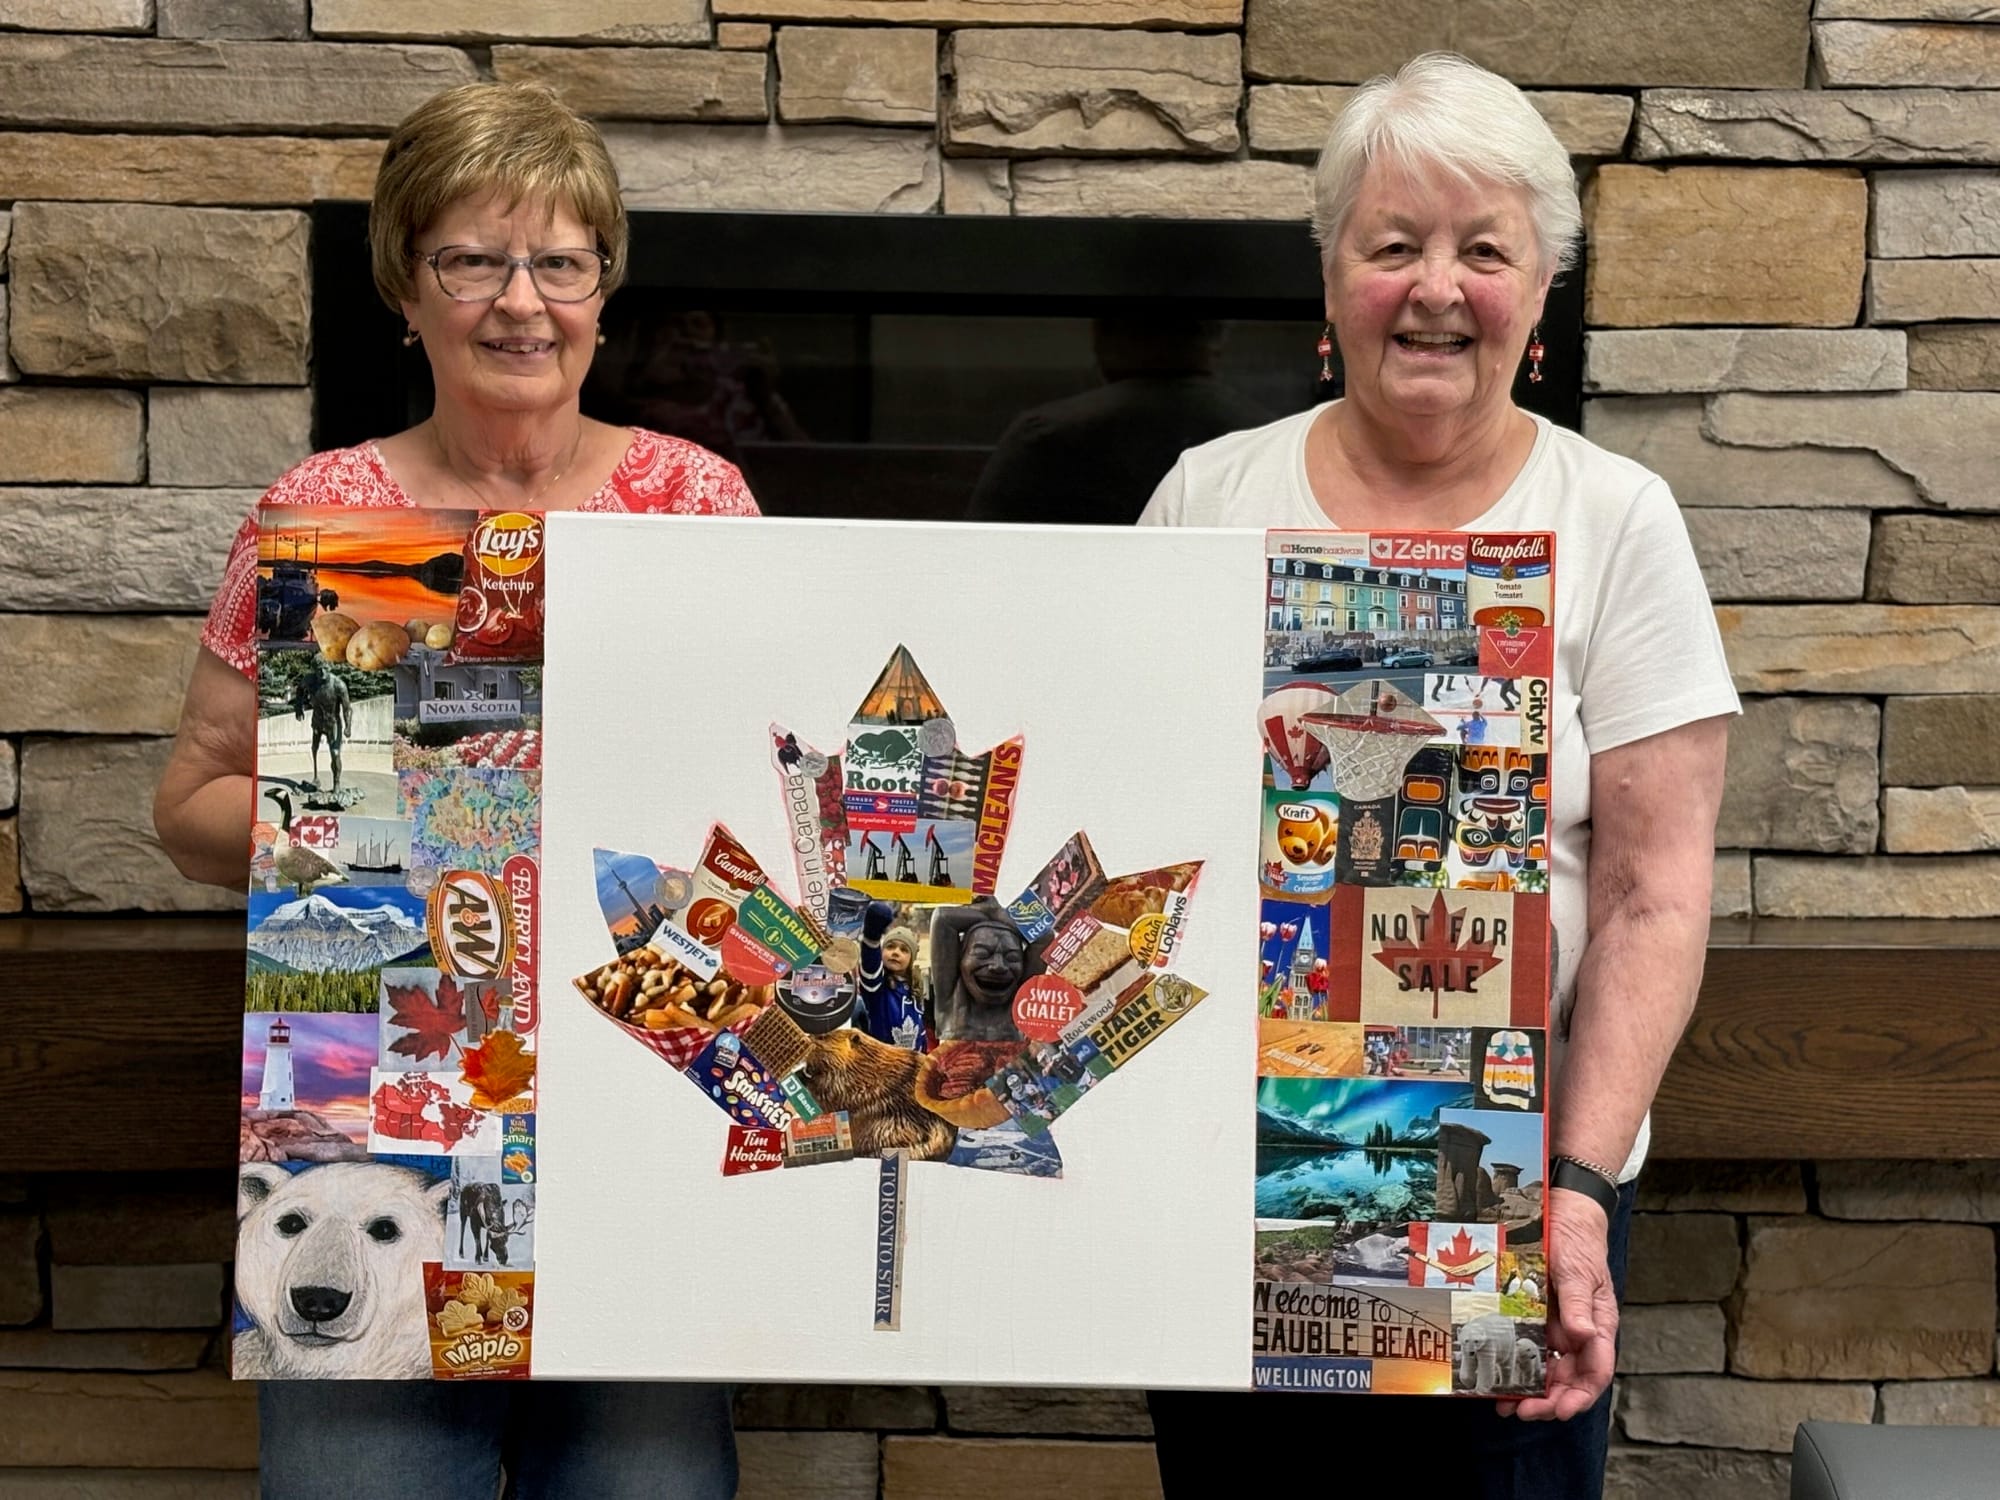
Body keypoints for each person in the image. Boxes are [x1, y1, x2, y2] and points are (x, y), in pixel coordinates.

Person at [1140, 53, 1736, 1500]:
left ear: (1539, 296)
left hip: (1516, 1186)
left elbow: (1658, 897)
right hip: (1244, 1173)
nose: (1435, 288)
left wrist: (1579, 1201)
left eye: (1484, 250)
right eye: (1393, 244)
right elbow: (1131, 835)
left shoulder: (1617, 520)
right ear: (1332, 279)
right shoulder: (1208, 498)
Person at [153, 81, 753, 1500]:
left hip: (641, 1101)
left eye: (560, 261)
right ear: (404, 292)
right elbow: (186, 807)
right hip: (375, 1115)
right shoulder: (328, 514)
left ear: (605, 290)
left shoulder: (696, 504)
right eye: (472, 261)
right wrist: (378, 822)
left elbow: (758, 811)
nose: (521, 302)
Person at [964, 317, 1271, 525]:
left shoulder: (1044, 434)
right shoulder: (1266, 437)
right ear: (1215, 340)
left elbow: (981, 556)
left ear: (1104, 339)